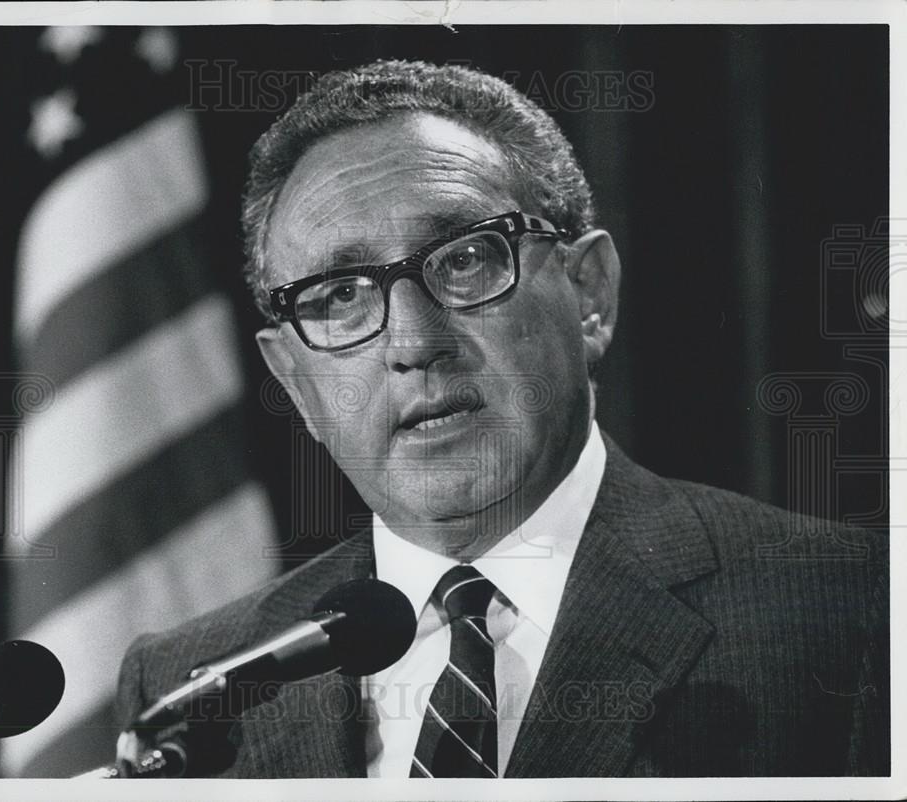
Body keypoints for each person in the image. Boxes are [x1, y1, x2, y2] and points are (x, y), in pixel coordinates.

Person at [115, 60, 889, 778]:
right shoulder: (193, 688)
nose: (414, 342)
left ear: (590, 294)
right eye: (341, 296)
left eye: (464, 259)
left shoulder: (858, 614)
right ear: (295, 381)